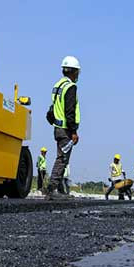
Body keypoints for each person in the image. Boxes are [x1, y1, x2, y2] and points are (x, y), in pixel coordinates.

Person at [47, 56, 81, 200]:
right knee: (62, 159)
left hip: (58, 128)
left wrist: (56, 124)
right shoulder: (70, 87)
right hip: (66, 130)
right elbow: (69, 110)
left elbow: (51, 110)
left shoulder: (58, 86)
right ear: (74, 72)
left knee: (63, 158)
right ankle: (52, 188)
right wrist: (73, 131)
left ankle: (60, 190)